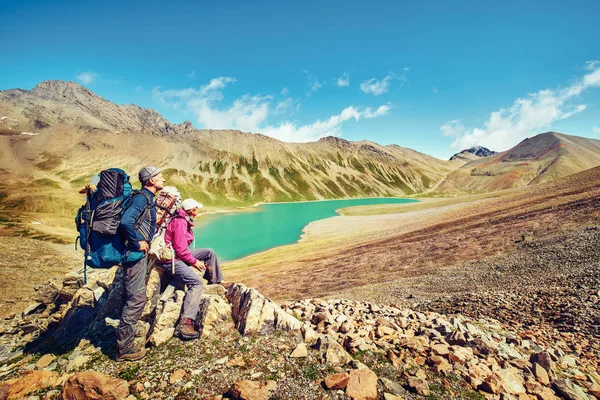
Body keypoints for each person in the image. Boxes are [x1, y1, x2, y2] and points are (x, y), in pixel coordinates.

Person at [116, 165, 165, 361]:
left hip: (136, 254)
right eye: (160, 177)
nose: (163, 179)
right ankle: (124, 349)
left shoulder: (146, 198)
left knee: (132, 295)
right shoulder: (141, 198)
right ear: (151, 180)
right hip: (134, 254)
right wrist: (137, 243)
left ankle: (124, 338)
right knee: (136, 299)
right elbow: (126, 221)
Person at [164, 198, 230, 340]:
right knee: (196, 283)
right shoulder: (180, 222)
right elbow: (181, 250)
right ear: (191, 210)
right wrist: (194, 262)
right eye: (196, 209)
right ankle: (185, 322)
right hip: (172, 260)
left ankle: (216, 281)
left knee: (209, 252)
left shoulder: (184, 220)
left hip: (178, 256)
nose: (198, 211)